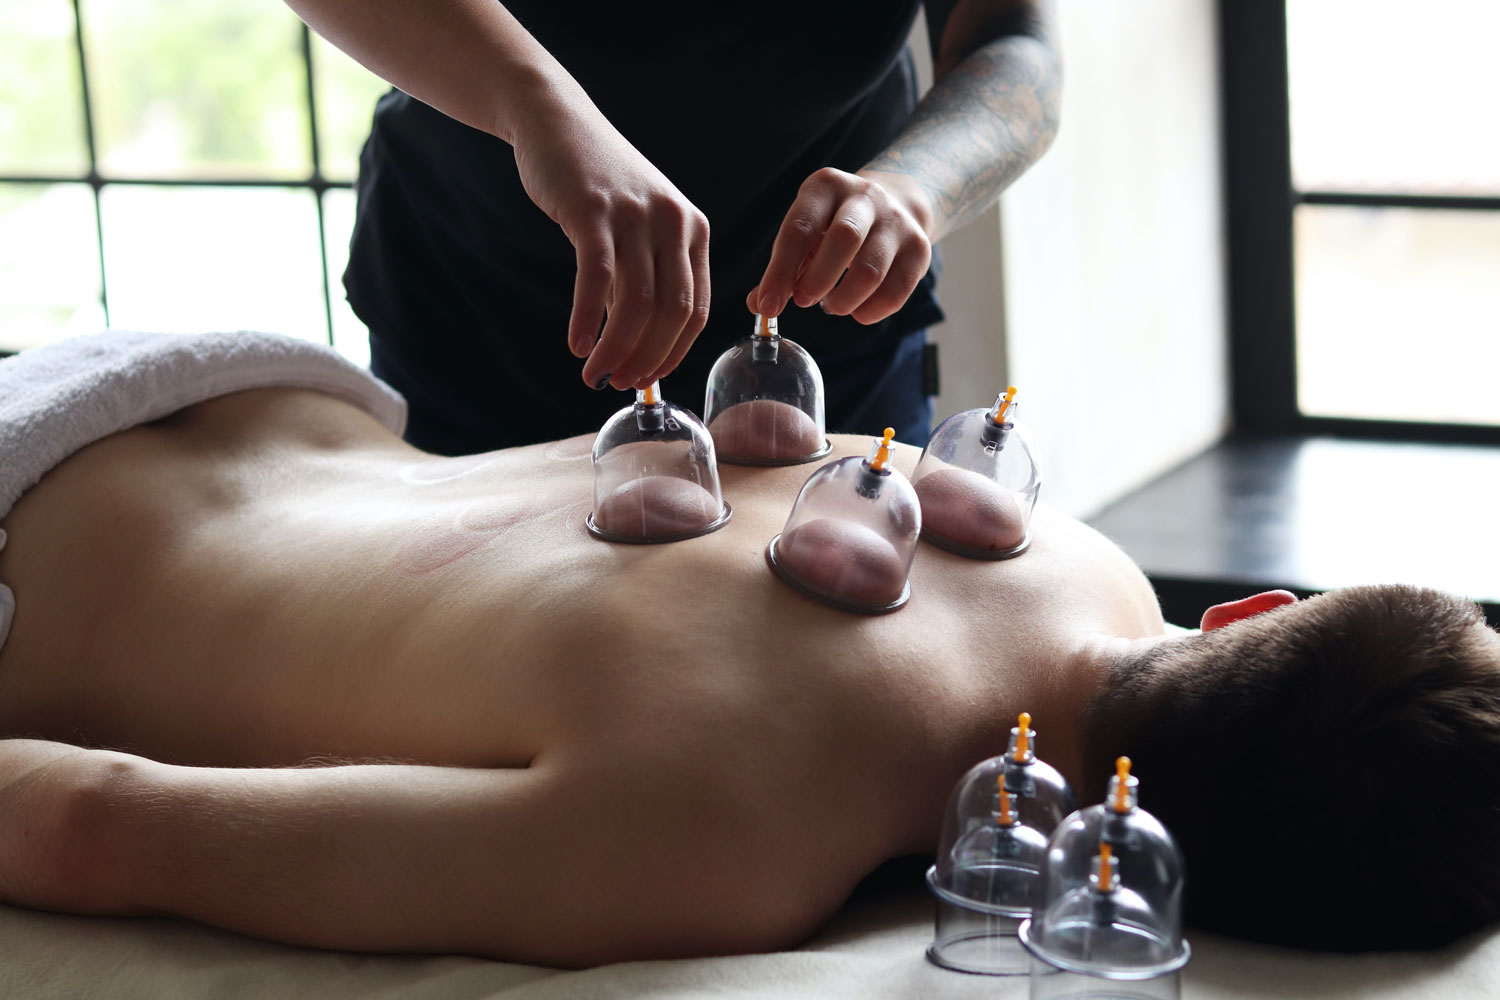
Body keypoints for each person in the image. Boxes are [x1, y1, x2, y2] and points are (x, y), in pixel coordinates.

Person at [1, 334, 1498, 968]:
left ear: (1241, 615)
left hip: (217, 380)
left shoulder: (1063, 542)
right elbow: (92, 820)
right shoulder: (722, 845)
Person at [283, 0, 1062, 454]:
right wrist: (537, 109)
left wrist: (914, 187)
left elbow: (1014, 40)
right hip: (479, 310)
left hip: (830, 330)